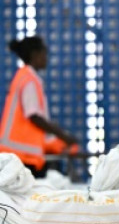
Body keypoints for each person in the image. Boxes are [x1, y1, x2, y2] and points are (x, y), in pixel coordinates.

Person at [0, 36, 78, 177]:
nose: (46, 58)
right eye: (44, 53)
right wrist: (63, 136)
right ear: (35, 55)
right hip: (21, 156)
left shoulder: (23, 76)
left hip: (17, 154)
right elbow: (34, 117)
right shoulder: (29, 80)